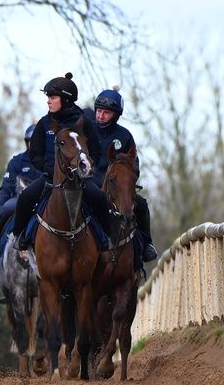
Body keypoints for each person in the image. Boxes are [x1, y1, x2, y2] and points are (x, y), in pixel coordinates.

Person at [10, 72, 117, 251]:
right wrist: (52, 170)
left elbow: (96, 152)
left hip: (79, 181)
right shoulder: (44, 124)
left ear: (65, 100)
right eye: (48, 98)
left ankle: (106, 238)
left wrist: (85, 170)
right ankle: (19, 236)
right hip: (51, 179)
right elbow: (34, 154)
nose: (48, 101)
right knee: (25, 198)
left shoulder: (85, 123)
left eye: (52, 97)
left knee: (99, 198)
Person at [83, 86, 159, 262]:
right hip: (90, 184)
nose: (101, 116)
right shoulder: (86, 131)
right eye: (99, 111)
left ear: (116, 115)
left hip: (116, 189)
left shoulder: (124, 136)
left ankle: (146, 245)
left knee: (141, 204)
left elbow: (134, 164)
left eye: (106, 113)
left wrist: (126, 181)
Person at [0, 123, 43, 263]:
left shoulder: (50, 161)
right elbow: (6, 189)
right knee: (6, 209)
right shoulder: (17, 161)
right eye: (31, 141)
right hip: (20, 201)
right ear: (27, 143)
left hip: (45, 200)